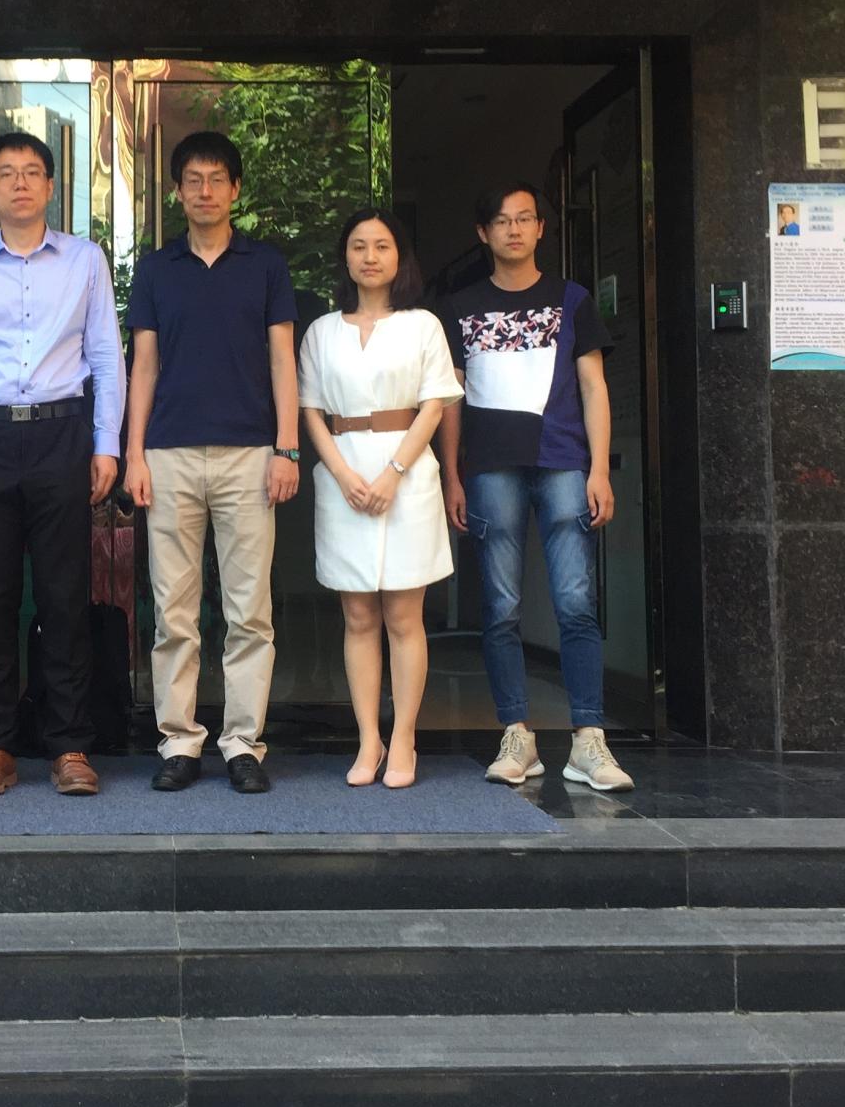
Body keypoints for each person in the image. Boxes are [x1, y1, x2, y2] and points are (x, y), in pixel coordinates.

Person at [0, 131, 124, 798]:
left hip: (61, 435)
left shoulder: (85, 259)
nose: (20, 182)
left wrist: (106, 443)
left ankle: (69, 745)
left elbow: (106, 355)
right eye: (7, 173)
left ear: (50, 187)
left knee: (65, 596)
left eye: (33, 172)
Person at [437, 181, 634, 793]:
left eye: (525, 219)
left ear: (541, 229)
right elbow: (449, 398)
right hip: (489, 466)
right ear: (483, 233)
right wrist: (450, 473)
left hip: (564, 462)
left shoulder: (572, 300)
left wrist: (599, 468)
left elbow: (594, 387)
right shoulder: (460, 307)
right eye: (502, 221)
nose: (515, 229)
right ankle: (516, 735)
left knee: (576, 602)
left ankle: (588, 740)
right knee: (500, 609)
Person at [123, 130, 299, 795]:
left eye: (217, 179)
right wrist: (134, 454)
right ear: (177, 191)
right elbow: (144, 366)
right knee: (175, 611)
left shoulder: (265, 265)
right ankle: (179, 741)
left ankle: (243, 743)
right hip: (167, 454)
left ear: (235, 189)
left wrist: (286, 447)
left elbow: (283, 360)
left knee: (250, 611)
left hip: (250, 455)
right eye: (193, 179)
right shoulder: (156, 270)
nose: (205, 190)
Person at [297, 209, 462, 789]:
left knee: (403, 615)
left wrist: (393, 472)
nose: (370, 256)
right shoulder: (321, 331)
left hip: (407, 476)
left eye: (382, 246)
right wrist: (342, 474)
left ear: (400, 257)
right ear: (345, 257)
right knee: (359, 615)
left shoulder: (422, 325)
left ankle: (405, 736)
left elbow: (434, 406)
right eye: (359, 246)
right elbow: (311, 410)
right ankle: (368, 737)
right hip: (343, 476)